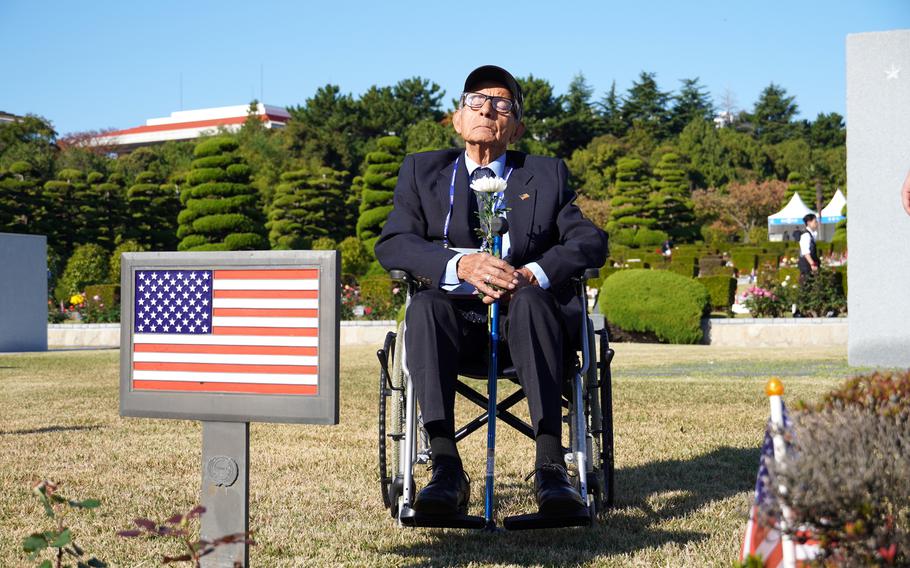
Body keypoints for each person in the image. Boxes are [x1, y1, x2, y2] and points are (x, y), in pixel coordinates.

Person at [375, 65, 608, 518]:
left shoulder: (546, 174)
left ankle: (550, 468)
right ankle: (445, 467)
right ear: (458, 119)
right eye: (476, 102)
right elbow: (394, 243)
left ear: (515, 127)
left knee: (531, 300)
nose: (487, 110)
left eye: (502, 104)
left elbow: (589, 241)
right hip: (452, 330)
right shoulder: (423, 171)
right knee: (423, 307)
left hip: (529, 328)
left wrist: (533, 273)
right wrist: (459, 264)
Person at [797, 213, 820, 283]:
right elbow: (805, 252)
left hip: (809, 264)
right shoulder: (805, 235)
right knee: (807, 285)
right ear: (809, 223)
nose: (817, 223)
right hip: (806, 265)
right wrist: (812, 264)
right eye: (815, 222)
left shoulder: (811, 234)